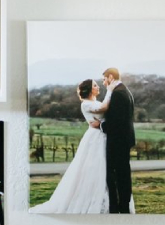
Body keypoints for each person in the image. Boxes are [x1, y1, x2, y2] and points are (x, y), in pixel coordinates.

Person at [30, 79, 118, 214]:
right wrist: (110, 91)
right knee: (94, 166)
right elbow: (103, 109)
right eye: (95, 85)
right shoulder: (86, 104)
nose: (97, 86)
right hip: (95, 138)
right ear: (89, 89)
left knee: (104, 166)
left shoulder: (96, 102)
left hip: (103, 134)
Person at [94, 68, 136, 213]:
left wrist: (101, 125)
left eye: (104, 79)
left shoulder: (118, 94)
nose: (104, 83)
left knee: (116, 174)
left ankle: (119, 206)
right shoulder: (124, 90)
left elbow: (117, 120)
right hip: (124, 139)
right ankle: (123, 204)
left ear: (110, 77)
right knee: (123, 173)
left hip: (118, 140)